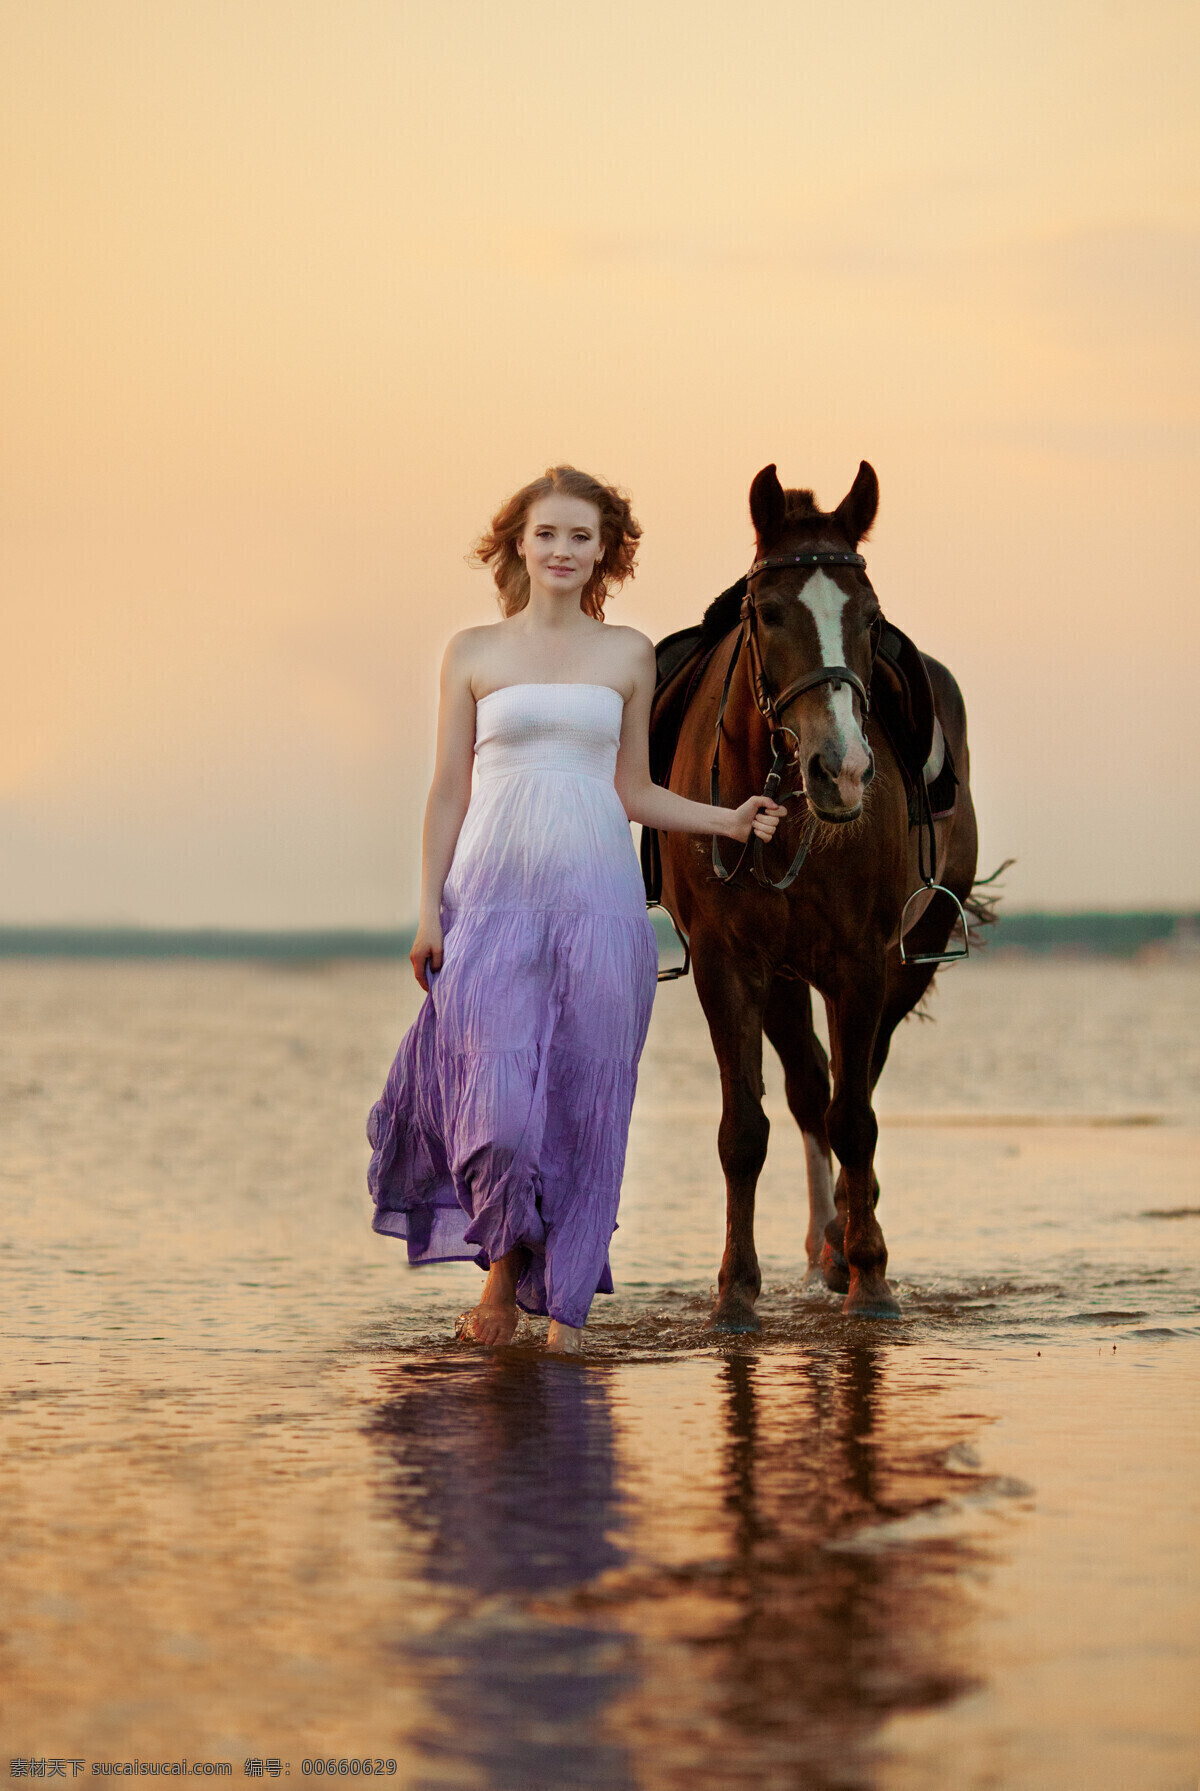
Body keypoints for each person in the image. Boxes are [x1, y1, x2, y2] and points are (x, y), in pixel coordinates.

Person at [367, 466, 784, 1353]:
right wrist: (428, 911)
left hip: (601, 906)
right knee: (500, 1115)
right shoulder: (472, 651)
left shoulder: (626, 653)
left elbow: (632, 790)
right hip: (491, 901)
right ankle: (502, 1269)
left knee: (589, 1106)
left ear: (606, 552)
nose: (562, 550)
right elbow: (448, 789)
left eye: (581, 537)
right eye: (548, 533)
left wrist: (727, 820)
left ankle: (561, 1316)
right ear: (519, 540)